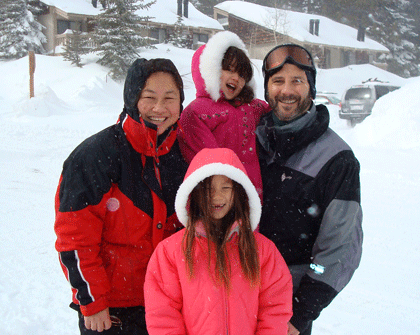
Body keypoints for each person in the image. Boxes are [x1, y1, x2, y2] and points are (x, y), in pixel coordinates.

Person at [54, 58, 188, 334]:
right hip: (112, 308)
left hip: (167, 302)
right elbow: (75, 238)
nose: (159, 108)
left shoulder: (184, 155)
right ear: (131, 98)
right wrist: (92, 302)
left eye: (169, 98)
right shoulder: (95, 155)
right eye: (148, 97)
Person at [255, 44, 363, 335]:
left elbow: (338, 250)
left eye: (297, 81)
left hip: (287, 309)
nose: (287, 90)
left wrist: (301, 312)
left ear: (311, 88)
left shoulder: (337, 159)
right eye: (278, 81)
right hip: (237, 293)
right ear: (267, 89)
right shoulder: (252, 140)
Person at [144, 148, 293, 335]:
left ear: (239, 191)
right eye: (208, 188)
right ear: (194, 192)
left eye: (226, 187)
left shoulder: (262, 250)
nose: (216, 196)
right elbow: (163, 314)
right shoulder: (170, 251)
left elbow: (275, 308)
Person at [178, 31, 269, 197]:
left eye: (242, 75)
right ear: (210, 68)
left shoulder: (252, 107)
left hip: (253, 195)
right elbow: (208, 164)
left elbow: (276, 112)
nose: (236, 78)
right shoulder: (197, 112)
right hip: (215, 198)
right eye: (228, 69)